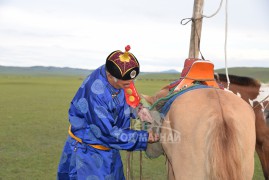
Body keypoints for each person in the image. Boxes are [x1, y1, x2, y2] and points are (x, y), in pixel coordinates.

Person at [57, 45, 159, 180]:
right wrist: (143, 137)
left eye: (132, 81)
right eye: (125, 83)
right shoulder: (96, 94)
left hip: (109, 151)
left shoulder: (119, 74)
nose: (130, 85)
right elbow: (107, 134)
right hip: (88, 154)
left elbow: (128, 95)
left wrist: (139, 109)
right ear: (110, 76)